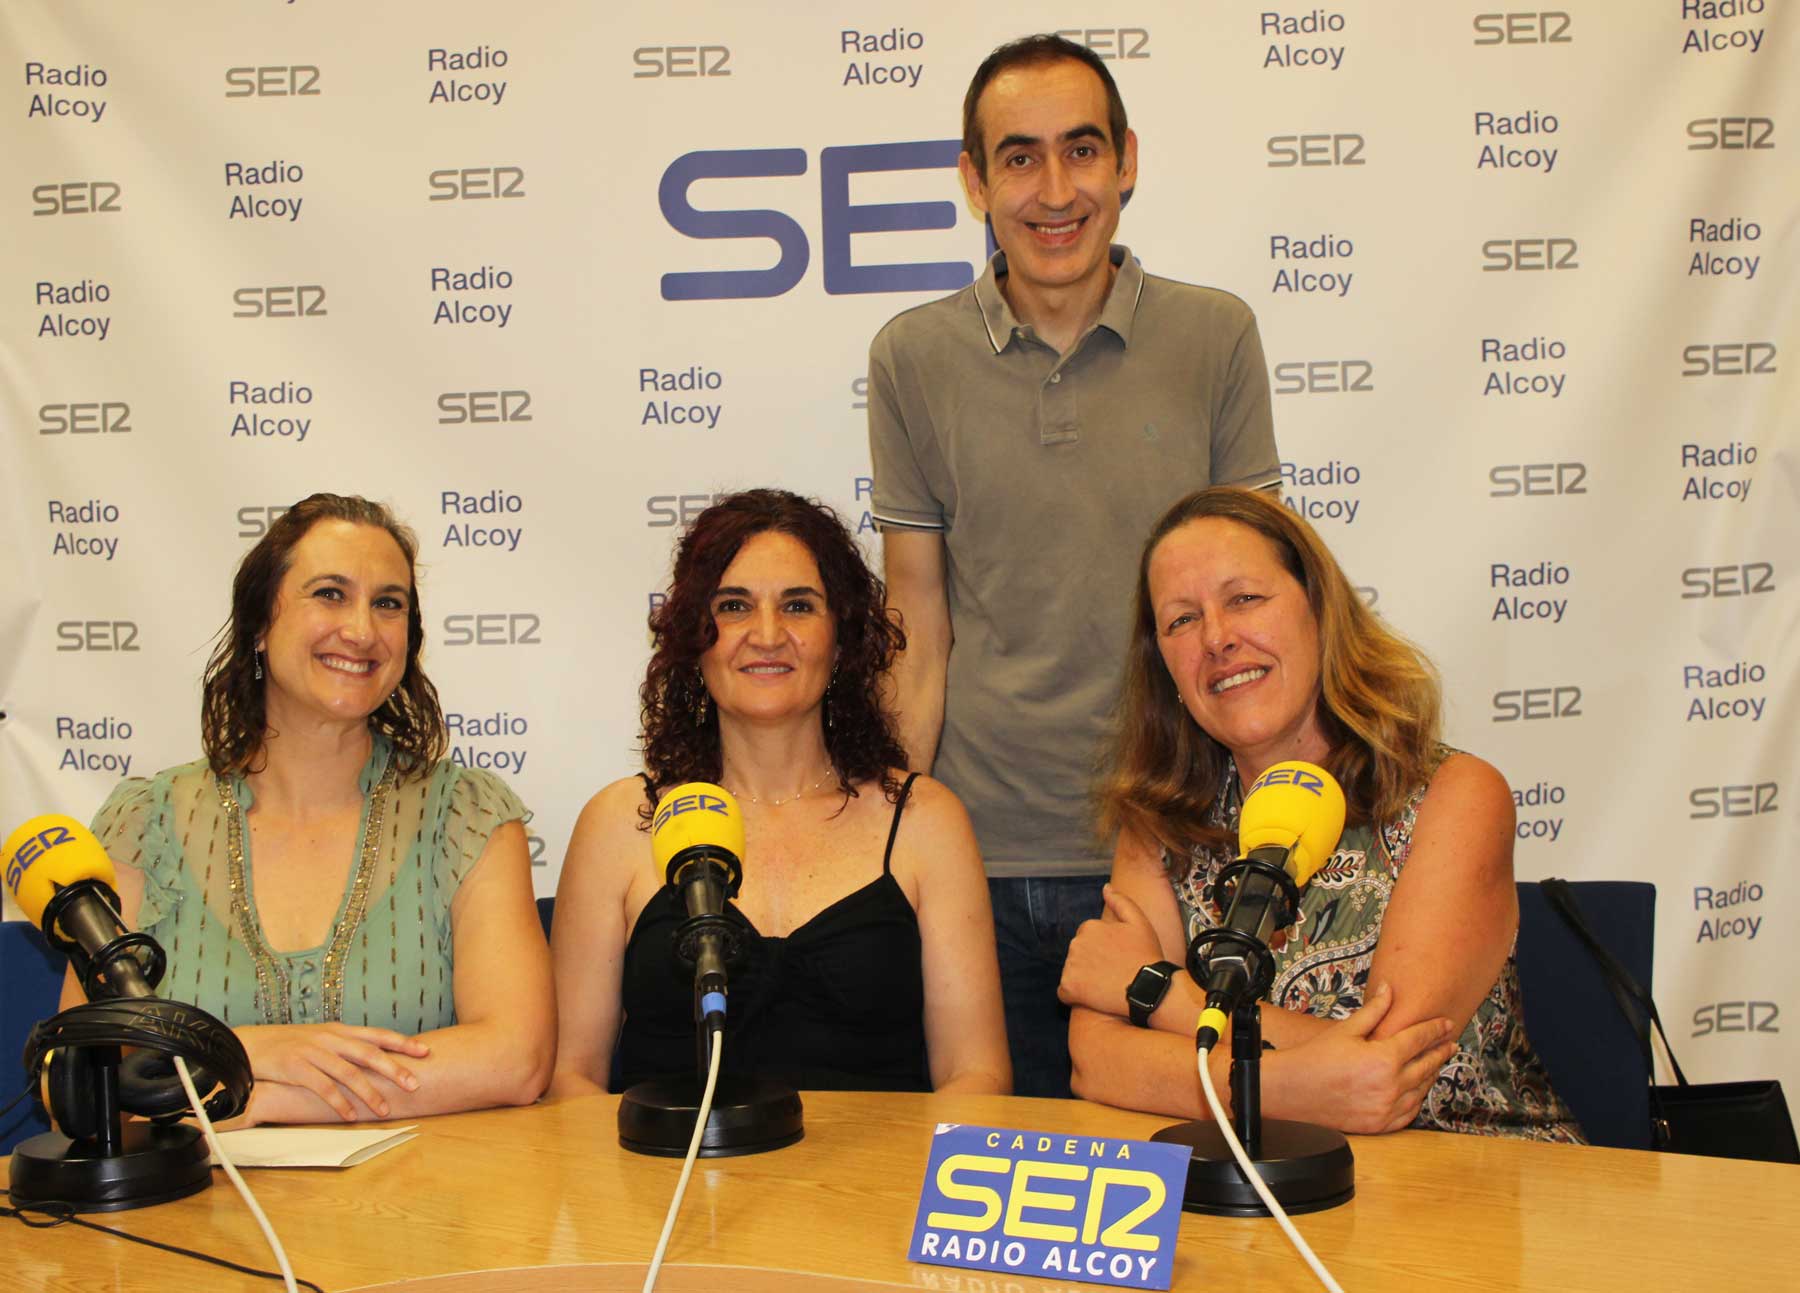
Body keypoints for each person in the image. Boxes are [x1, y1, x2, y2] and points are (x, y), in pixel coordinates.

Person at [867, 33, 1280, 1097]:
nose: (1054, 190)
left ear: (1126, 161)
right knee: (1005, 1198)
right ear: (974, 181)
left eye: (1081, 151)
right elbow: (915, 625)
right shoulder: (911, 358)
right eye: (1018, 158)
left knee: (1189, 1195)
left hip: (1183, 850)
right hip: (980, 860)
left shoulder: (1217, 337)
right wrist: (890, 838)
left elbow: (1263, 608)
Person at [1059, 487, 1581, 1139]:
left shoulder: (1455, 794)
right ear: (1162, 664)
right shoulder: (1160, 821)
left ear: (1318, 609)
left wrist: (1161, 994)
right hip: (1250, 1187)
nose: (1218, 637)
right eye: (1182, 620)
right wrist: (1305, 1086)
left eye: (1244, 598)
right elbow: (1096, 1061)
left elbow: (1390, 1068)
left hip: (1469, 1186)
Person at [67, 494, 555, 1125]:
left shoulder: (466, 816)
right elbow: (74, 1084)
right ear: (260, 626)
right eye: (329, 594)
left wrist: (265, 1097)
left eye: (388, 603)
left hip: (425, 1212)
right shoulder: (144, 824)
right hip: (191, 1214)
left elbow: (517, 1059)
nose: (361, 630)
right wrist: (247, 1049)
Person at [549, 490, 1009, 1098]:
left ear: (841, 639)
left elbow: (976, 1077)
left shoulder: (926, 820)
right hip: (666, 1184)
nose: (767, 634)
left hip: (873, 1189)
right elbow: (568, 1079)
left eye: (798, 605)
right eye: (734, 606)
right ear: (695, 637)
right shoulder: (619, 824)